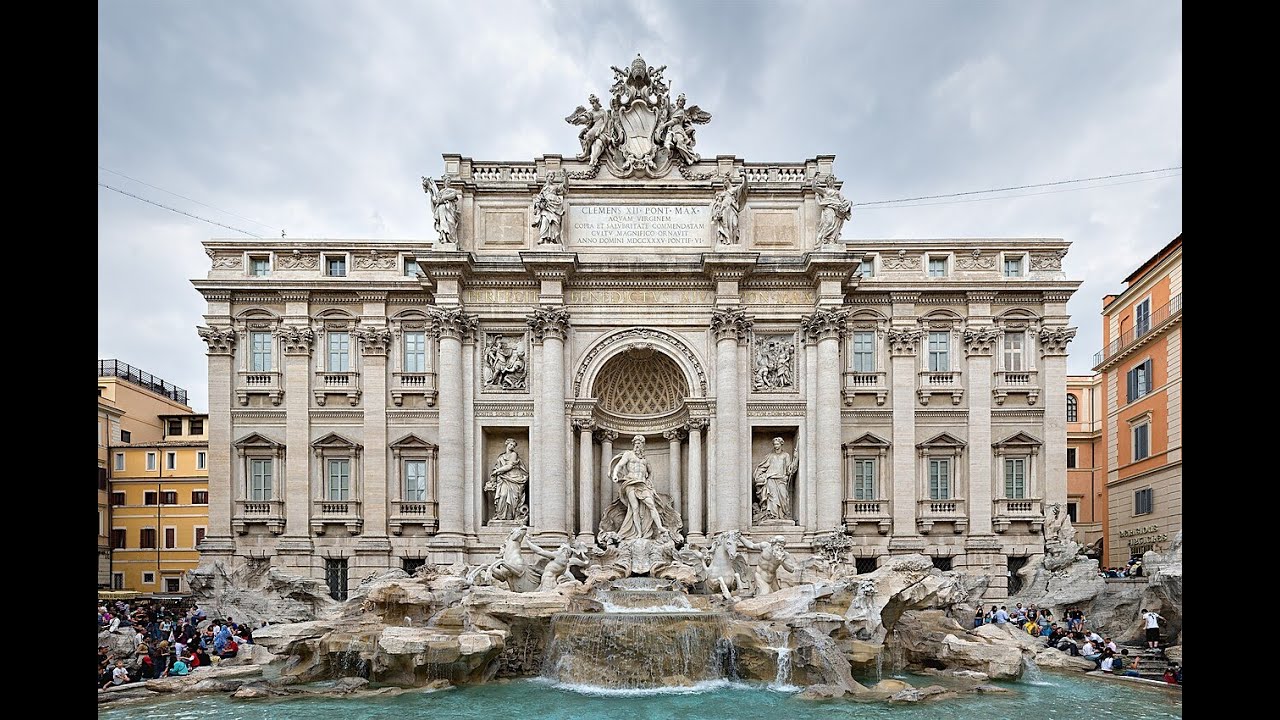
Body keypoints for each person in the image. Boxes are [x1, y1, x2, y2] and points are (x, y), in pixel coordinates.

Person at [609, 435, 667, 540]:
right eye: (635, 443)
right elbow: (619, 465)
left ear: (643, 445)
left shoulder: (645, 460)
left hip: (642, 484)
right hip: (630, 483)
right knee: (634, 508)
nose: (637, 445)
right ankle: (639, 533)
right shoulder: (628, 455)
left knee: (651, 505)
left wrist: (649, 480)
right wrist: (615, 474)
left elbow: (650, 472)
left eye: (639, 443)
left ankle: (660, 527)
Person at [753, 437, 797, 522]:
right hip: (771, 479)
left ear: (781, 444)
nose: (775, 446)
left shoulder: (786, 455)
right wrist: (758, 475)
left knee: (783, 497)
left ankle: (783, 515)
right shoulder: (770, 456)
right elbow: (762, 467)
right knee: (773, 497)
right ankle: (773, 516)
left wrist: (795, 459)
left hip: (781, 479)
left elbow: (789, 469)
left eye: (777, 444)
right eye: (774, 444)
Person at [486, 439, 529, 522]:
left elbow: (509, 466)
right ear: (507, 444)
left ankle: (510, 517)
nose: (512, 446)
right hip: (503, 479)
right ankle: (500, 516)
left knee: (513, 498)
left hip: (514, 478)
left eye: (513, 445)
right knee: (503, 495)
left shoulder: (514, 454)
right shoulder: (501, 457)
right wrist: (494, 477)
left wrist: (497, 471)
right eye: (511, 444)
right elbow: (497, 467)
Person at [813, 174, 852, 246]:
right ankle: (824, 238)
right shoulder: (824, 190)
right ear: (827, 182)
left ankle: (831, 239)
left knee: (836, 225)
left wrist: (847, 204)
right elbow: (814, 188)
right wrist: (815, 179)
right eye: (829, 180)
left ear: (833, 181)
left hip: (838, 209)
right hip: (829, 207)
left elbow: (843, 200)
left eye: (831, 180)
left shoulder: (837, 192)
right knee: (829, 222)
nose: (830, 181)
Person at [422, 175, 461, 245]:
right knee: (443, 223)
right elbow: (436, 200)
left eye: (450, 181)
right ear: (445, 182)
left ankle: (451, 239)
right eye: (448, 180)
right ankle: (444, 238)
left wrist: (444, 198)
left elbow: (453, 195)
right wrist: (431, 192)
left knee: (451, 223)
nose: (449, 182)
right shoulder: (441, 191)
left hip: (449, 209)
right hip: (441, 208)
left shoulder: (452, 190)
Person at [711, 173, 747, 245]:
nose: (724, 182)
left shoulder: (735, 189)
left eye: (725, 180)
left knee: (734, 225)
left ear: (729, 180)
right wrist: (717, 212)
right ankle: (728, 241)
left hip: (732, 209)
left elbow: (744, 187)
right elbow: (718, 204)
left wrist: (744, 177)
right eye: (723, 181)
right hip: (724, 210)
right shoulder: (723, 194)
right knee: (725, 225)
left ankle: (733, 243)